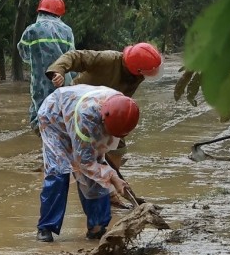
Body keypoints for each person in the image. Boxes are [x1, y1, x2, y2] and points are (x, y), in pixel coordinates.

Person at [35, 84, 139, 242]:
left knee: (96, 177)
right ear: (104, 118)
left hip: (83, 115)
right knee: (59, 171)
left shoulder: (123, 106)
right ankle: (46, 227)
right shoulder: (86, 117)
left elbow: (98, 156)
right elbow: (84, 162)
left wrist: (108, 175)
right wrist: (114, 178)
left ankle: (97, 227)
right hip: (55, 118)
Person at [45, 42, 162, 172]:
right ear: (137, 68)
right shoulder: (107, 59)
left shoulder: (137, 75)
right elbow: (75, 56)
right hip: (81, 105)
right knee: (79, 147)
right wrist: (58, 71)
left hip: (111, 109)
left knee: (118, 146)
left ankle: (112, 179)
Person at [17, 0, 75, 130]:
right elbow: (72, 57)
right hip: (63, 82)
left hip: (40, 82)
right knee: (62, 114)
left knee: (39, 116)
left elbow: (23, 52)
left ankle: (48, 142)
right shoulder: (67, 31)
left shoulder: (32, 30)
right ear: (59, 14)